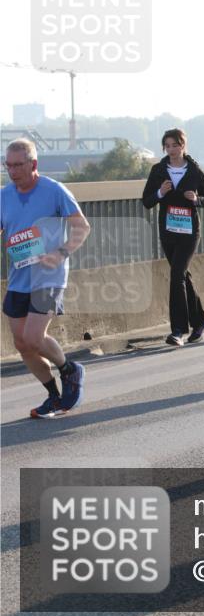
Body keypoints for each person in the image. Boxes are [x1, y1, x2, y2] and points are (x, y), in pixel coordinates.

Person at [2, 138, 90, 418]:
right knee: (22, 343)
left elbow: (81, 227)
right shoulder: (4, 195)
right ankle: (53, 395)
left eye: (18, 165)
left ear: (33, 164)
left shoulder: (54, 191)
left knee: (34, 336)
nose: (12, 171)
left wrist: (61, 253)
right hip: (19, 277)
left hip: (49, 276)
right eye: (8, 165)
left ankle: (69, 370)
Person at [141, 129, 204, 346]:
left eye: (175, 145)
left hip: (189, 232)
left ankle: (178, 331)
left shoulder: (194, 171)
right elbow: (146, 200)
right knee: (182, 276)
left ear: (183, 146)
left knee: (176, 275)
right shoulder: (158, 171)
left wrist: (196, 199)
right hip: (168, 232)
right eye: (167, 146)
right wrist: (160, 193)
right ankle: (200, 322)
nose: (171, 150)